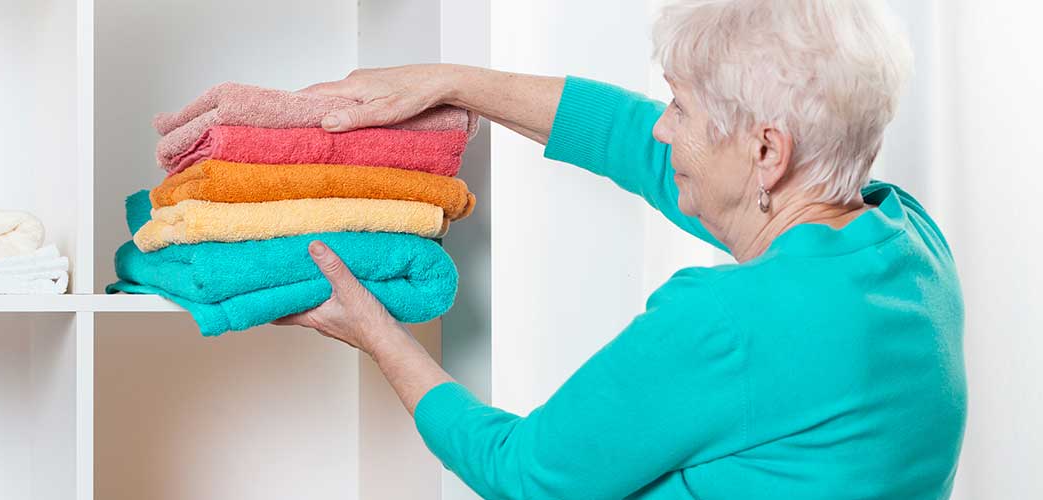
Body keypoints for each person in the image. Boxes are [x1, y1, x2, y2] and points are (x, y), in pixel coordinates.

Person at [275, 1, 966, 498]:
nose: (663, 130)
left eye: (680, 108)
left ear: (764, 150)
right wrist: (452, 83)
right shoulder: (908, 244)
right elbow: (633, 141)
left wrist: (376, 333)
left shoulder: (728, 322)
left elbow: (526, 476)